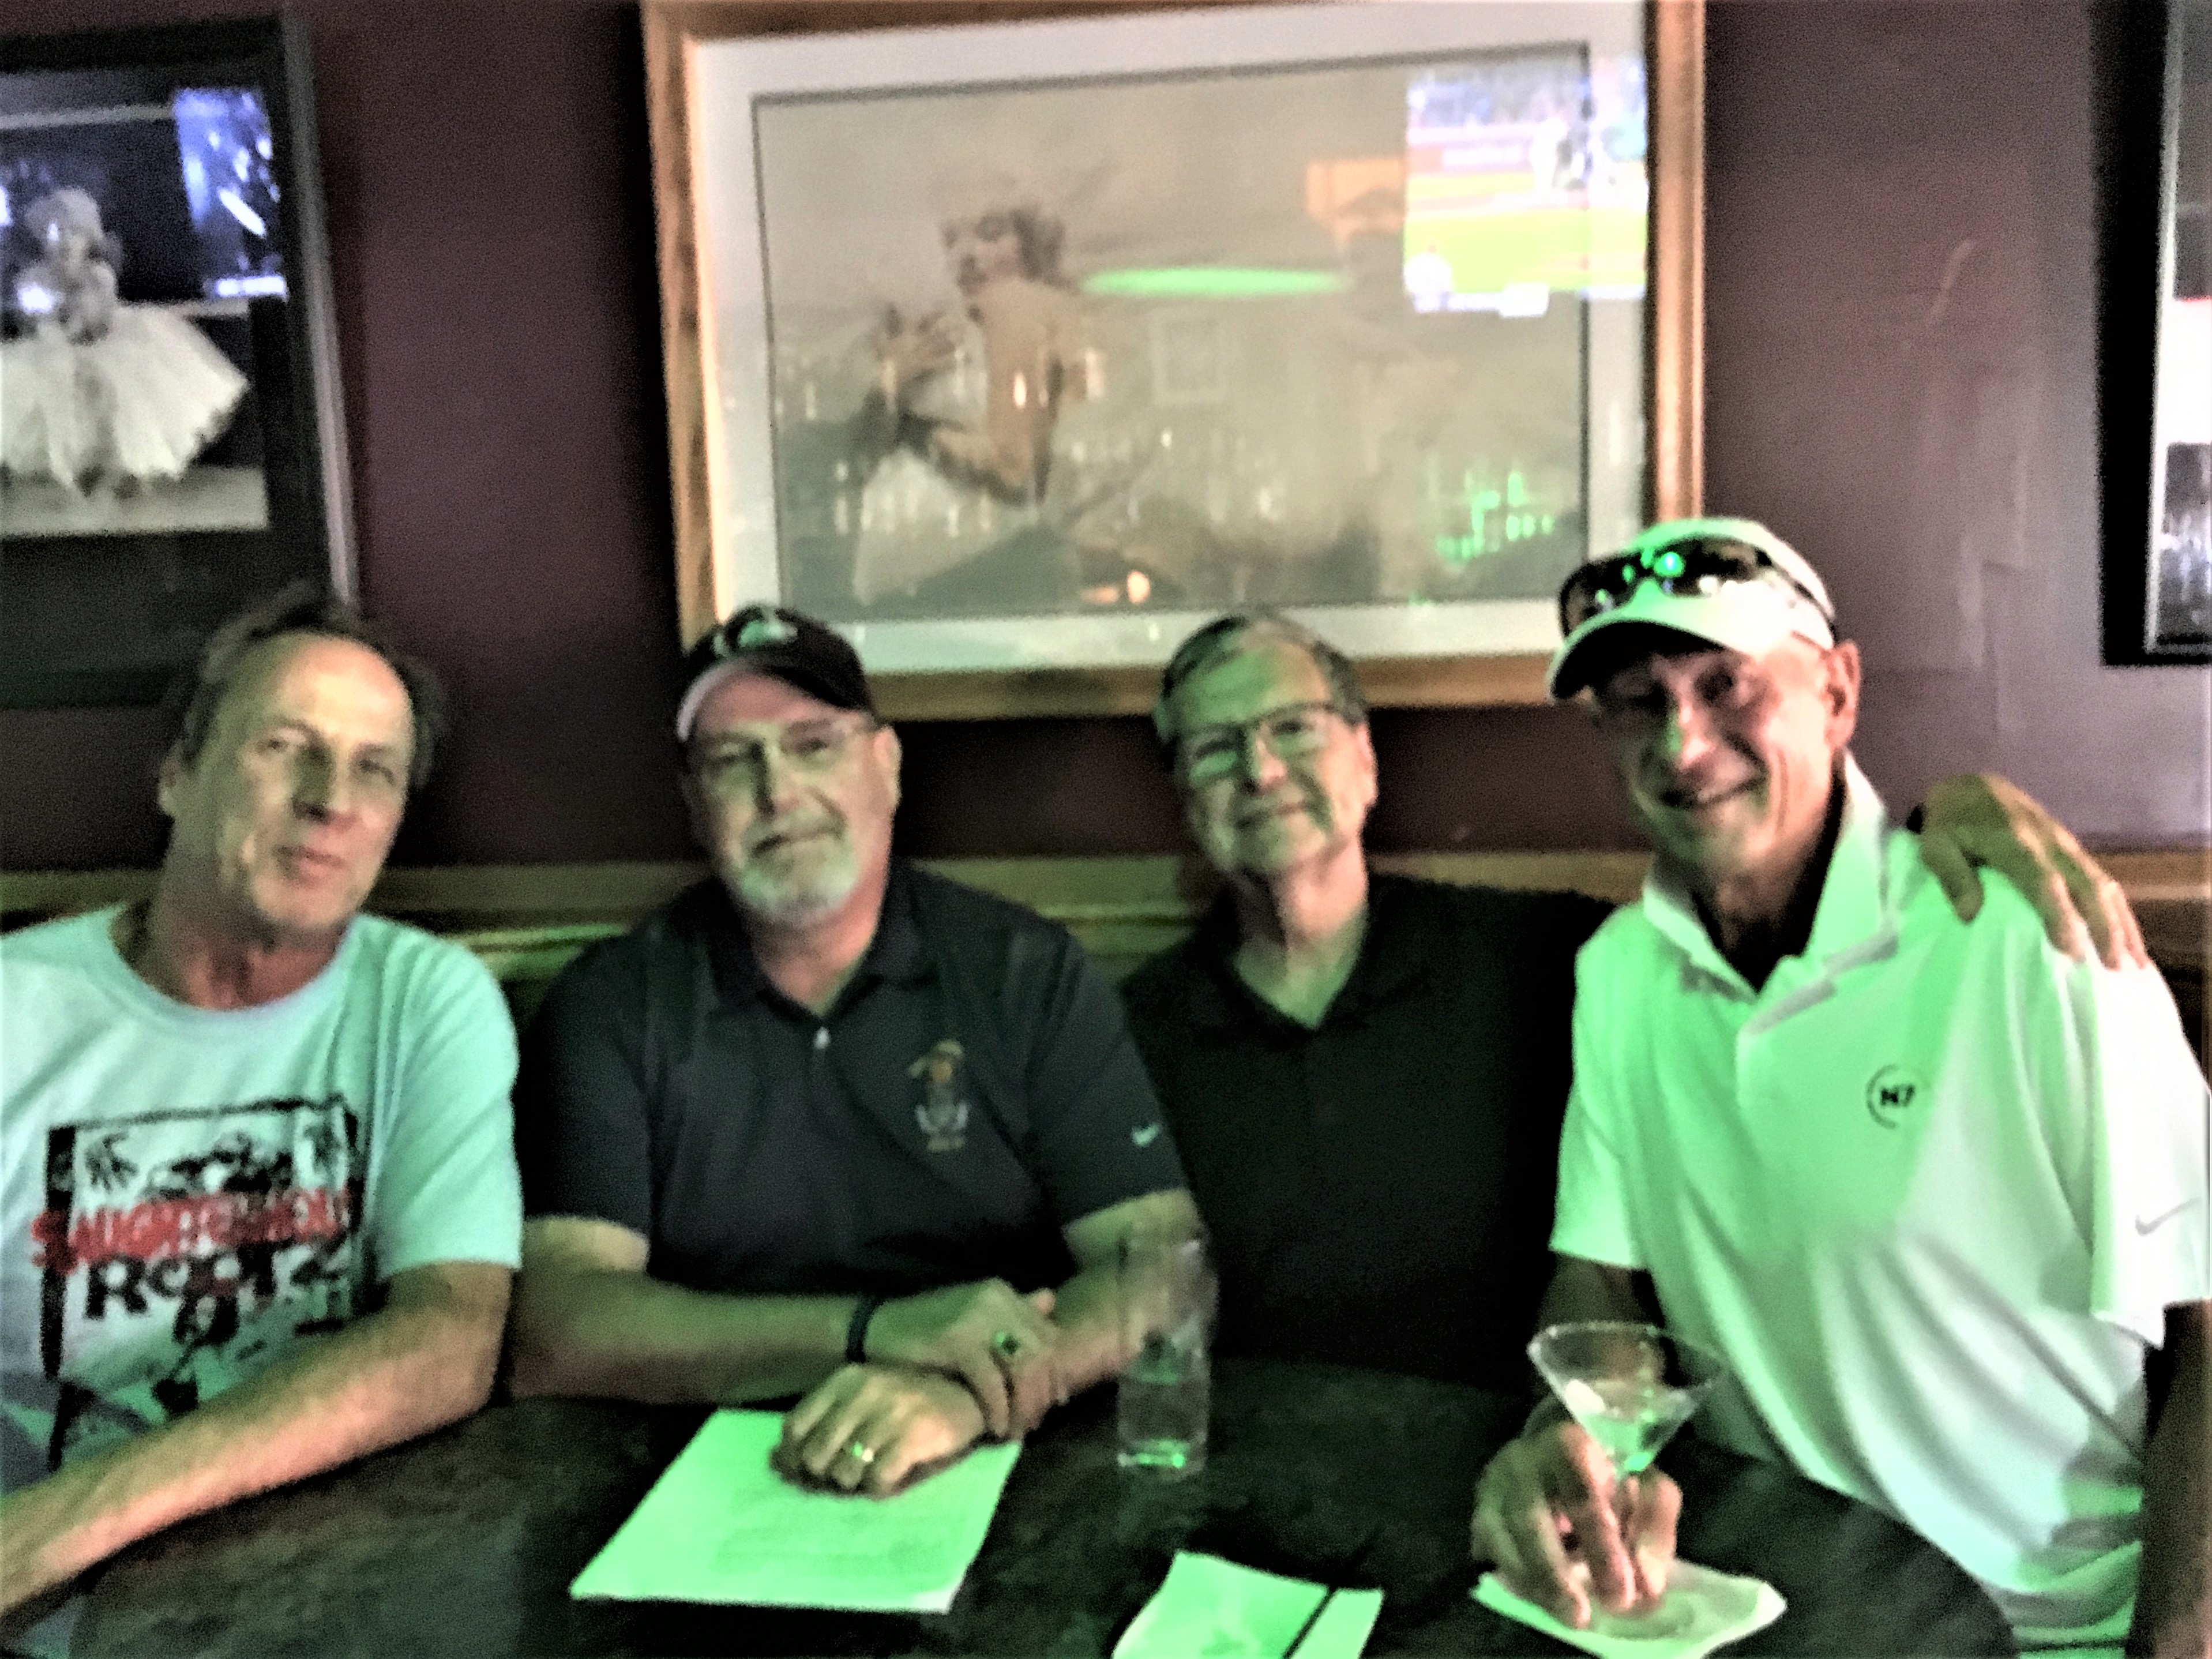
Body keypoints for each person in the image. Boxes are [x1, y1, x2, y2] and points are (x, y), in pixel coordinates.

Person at [1470, 518, 2209, 1655]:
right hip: (1760, 1617)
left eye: (1727, 684)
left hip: (2040, 1636)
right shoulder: (1620, 973)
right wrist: (1576, 1430)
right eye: (1637, 702)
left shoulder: (2032, 942)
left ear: (1838, 692)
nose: (1682, 742)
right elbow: (1600, 1278)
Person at [1122, 609, 2151, 1392]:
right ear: (1182, 798)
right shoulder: (1122, 1035)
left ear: (1364, 757)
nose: (1260, 770)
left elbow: (1761, 894)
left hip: (1502, 1502)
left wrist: (1942, 820)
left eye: (1294, 729)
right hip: (1241, 1513)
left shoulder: (1551, 956)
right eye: (1214, 748)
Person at [510, 605, 1197, 1496]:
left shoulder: (1024, 973)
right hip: (699, 1486)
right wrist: (873, 1332)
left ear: (887, 766)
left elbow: (1162, 1264)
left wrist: (975, 1390)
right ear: (693, 805)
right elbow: (561, 1327)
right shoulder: (615, 1001)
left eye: (813, 745)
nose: (778, 793)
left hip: (994, 1457)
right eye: (732, 761)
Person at [0, 585, 521, 1616]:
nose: (331, 799)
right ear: (177, 774)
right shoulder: (18, 1011)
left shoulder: (424, 1000)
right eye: (286, 747)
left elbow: (449, 1337)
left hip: (329, 1603)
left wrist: (59, 1527)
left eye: (375, 770)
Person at [848, 185, 1095, 613]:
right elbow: (859, 462)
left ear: (1030, 244)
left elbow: (1014, 472)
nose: (966, 255)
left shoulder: (1027, 320)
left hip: (985, 568)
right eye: (950, 240)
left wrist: (913, 428)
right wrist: (891, 381)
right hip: (912, 582)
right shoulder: (937, 330)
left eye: (990, 234)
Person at [1, 187, 246, 496]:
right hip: (55, 348)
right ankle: (70, 468)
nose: (63, 242)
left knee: (120, 384)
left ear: (89, 241)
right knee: (40, 380)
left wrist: (76, 308)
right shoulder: (35, 279)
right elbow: (38, 322)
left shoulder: (98, 276)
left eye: (74, 234)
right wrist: (54, 331)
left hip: (101, 340)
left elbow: (96, 324)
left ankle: (124, 467)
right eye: (55, 233)